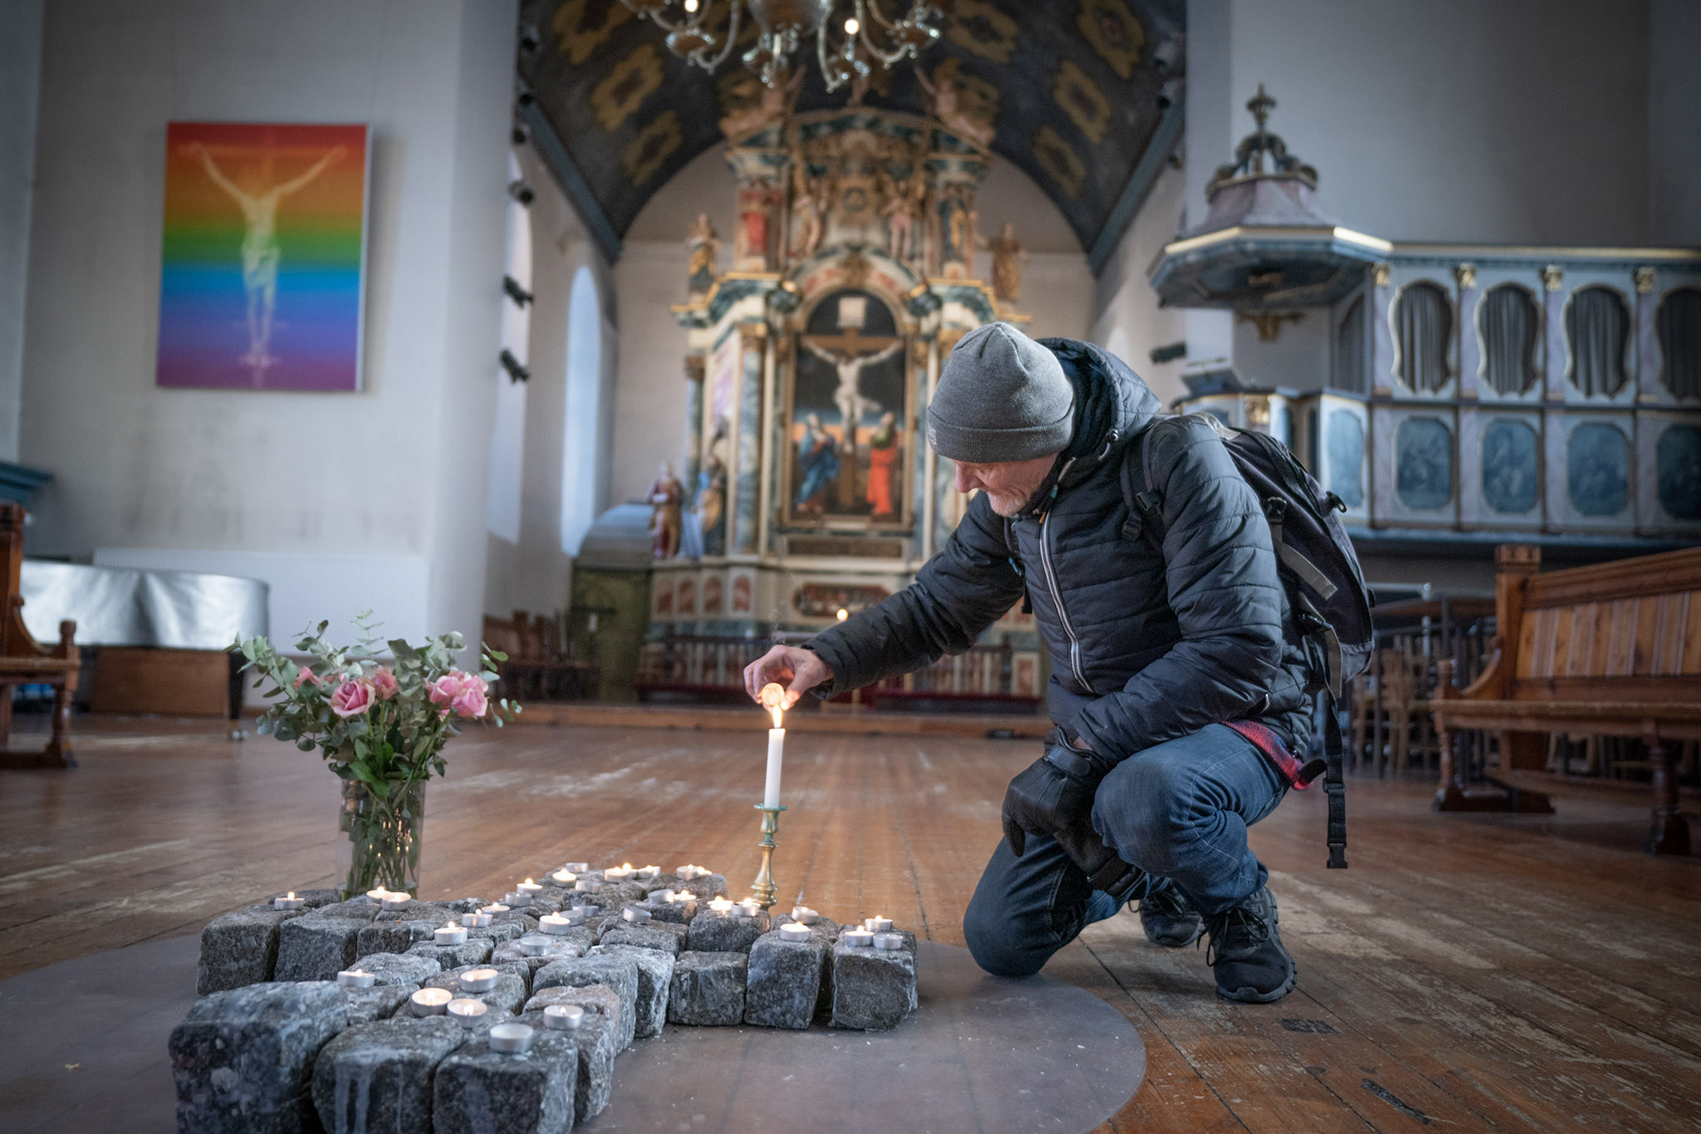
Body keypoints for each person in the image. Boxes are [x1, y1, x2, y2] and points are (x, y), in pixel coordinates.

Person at [744, 323, 1312, 1003]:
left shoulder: (1178, 460)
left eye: (977, 462)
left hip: (1235, 723)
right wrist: (823, 655)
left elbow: (1234, 654)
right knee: (1002, 940)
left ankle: (1236, 903)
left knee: (1150, 797)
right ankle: (1160, 870)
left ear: (1041, 439)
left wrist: (1075, 754)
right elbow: (937, 609)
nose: (960, 484)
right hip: (1103, 744)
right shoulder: (1010, 502)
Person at [865, 411, 900, 518]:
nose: (884, 418)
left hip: (883, 462)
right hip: (879, 463)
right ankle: (880, 508)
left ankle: (884, 509)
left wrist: (872, 435)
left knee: (882, 486)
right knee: (878, 484)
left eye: (887, 417)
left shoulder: (887, 431)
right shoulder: (885, 430)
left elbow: (880, 441)